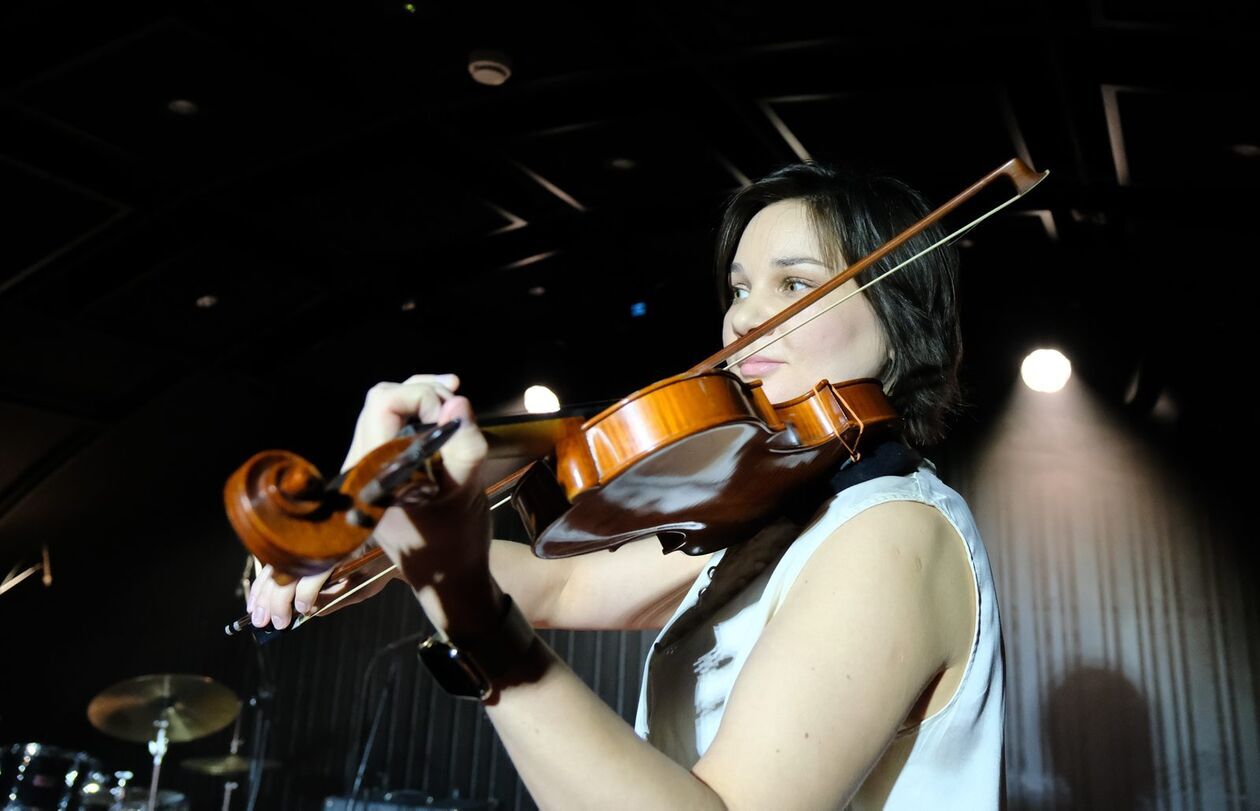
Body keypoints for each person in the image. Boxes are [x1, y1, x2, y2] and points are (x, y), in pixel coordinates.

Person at [247, 162, 1004, 809]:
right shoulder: (793, 507)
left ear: (901, 318)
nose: (744, 318)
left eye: (795, 284)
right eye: (740, 287)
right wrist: (378, 531)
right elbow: (568, 586)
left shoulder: (891, 530)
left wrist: (462, 597)